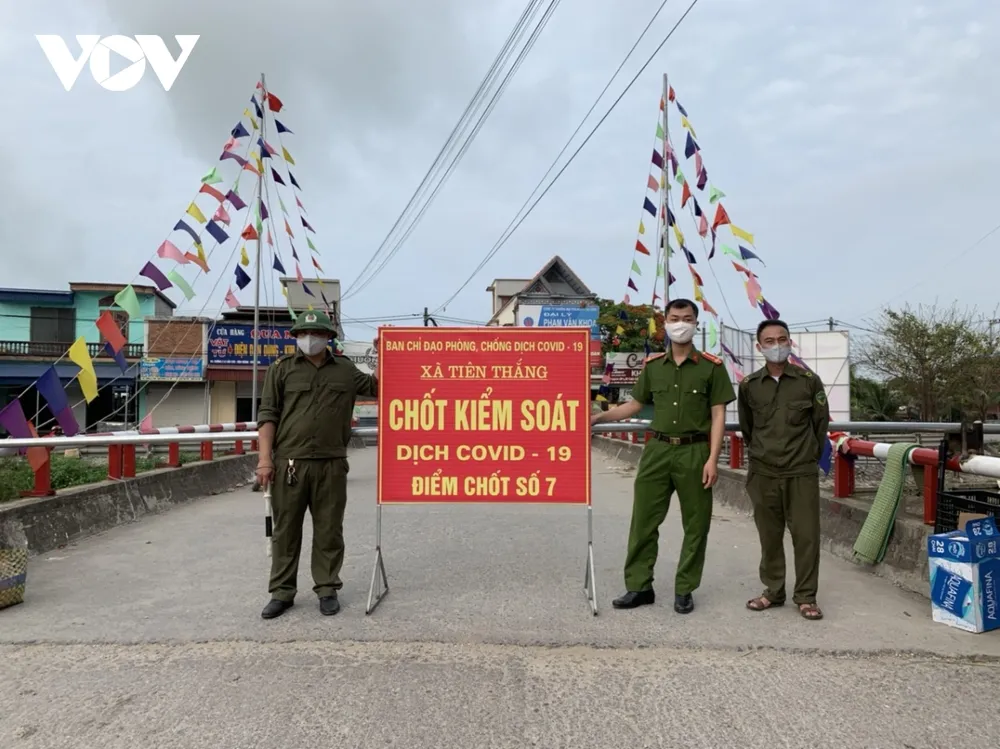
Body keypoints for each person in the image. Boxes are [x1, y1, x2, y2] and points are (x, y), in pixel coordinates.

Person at [591, 298, 735, 614]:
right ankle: (639, 587)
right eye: (673, 318)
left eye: (686, 318)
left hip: (695, 451)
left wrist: (713, 459)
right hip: (656, 450)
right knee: (643, 520)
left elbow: (718, 415)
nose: (679, 323)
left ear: (696, 324)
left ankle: (685, 588)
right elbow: (634, 405)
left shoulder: (712, 367)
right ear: (665, 323)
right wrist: (597, 418)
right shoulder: (654, 366)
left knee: (696, 524)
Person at [255, 310, 378, 619]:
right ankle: (282, 592)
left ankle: (326, 588)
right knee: (285, 531)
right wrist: (264, 460)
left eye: (317, 334)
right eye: (302, 334)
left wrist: (384, 352)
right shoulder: (281, 370)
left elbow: (380, 387)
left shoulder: (346, 371)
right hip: (290, 464)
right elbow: (268, 415)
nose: (309, 339)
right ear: (296, 337)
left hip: (331, 463)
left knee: (329, 529)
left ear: (328, 338)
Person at [737, 319, 830, 621]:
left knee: (806, 535)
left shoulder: (808, 381)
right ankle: (773, 591)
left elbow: (820, 425)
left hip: (801, 471)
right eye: (769, 340)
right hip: (763, 471)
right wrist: (763, 454)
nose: (776, 345)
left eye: (782, 339)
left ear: (790, 342)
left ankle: (806, 596)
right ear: (759, 346)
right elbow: (747, 428)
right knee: (770, 534)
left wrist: (807, 457)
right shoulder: (749, 386)